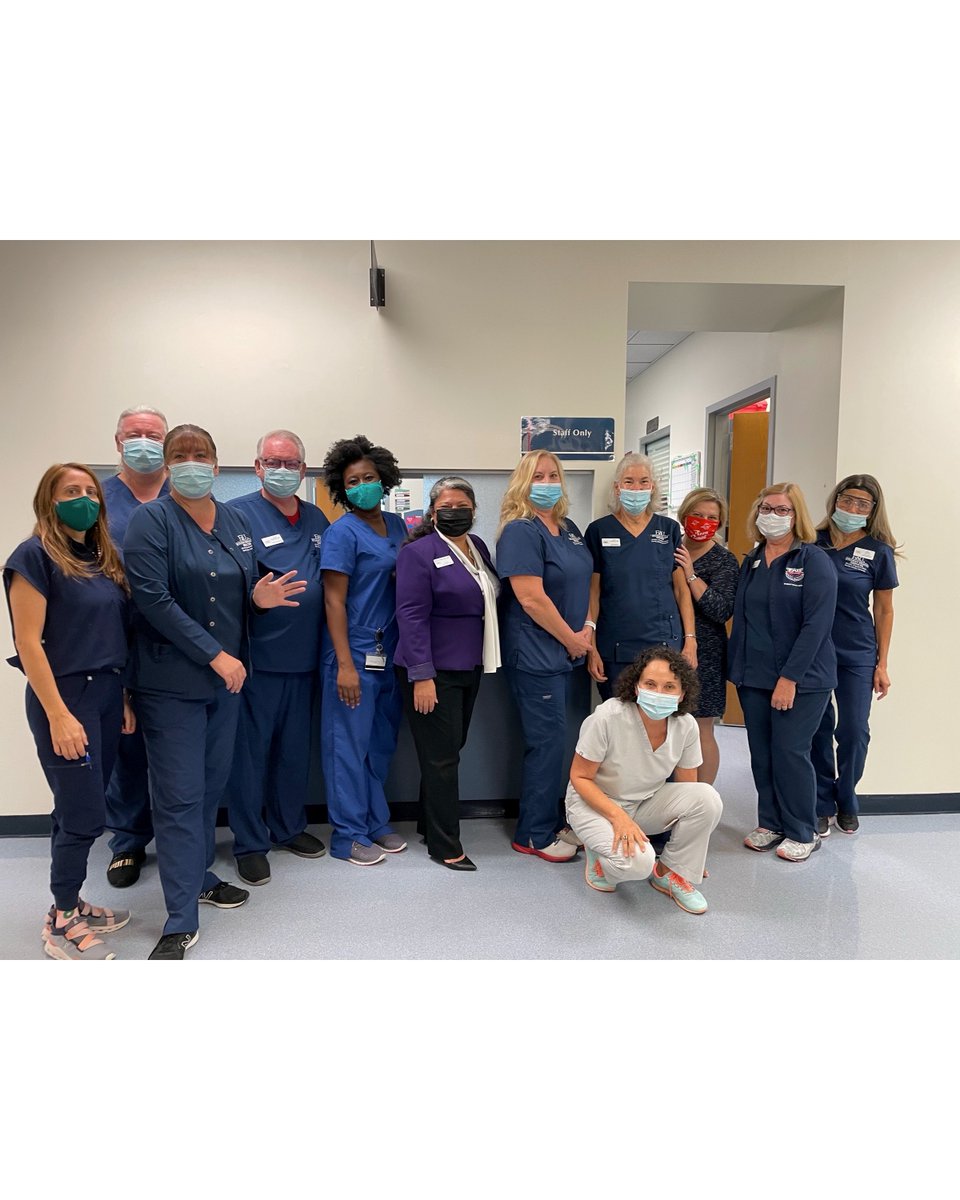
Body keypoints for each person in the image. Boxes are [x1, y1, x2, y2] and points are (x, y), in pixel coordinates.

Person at [124, 424, 306, 959]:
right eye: (180, 455)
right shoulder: (150, 519)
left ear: (217, 461)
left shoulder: (234, 520)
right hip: (171, 683)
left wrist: (259, 599)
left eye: (200, 454)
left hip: (225, 686)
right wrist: (215, 654)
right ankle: (180, 919)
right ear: (166, 462)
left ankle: (200, 875)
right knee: (179, 797)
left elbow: (233, 589)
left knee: (207, 789)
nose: (191, 462)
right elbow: (154, 600)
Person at [4, 464, 135, 959]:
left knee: (77, 806)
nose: (83, 498)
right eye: (70, 491)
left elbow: (109, 636)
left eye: (89, 491)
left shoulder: (102, 559)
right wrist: (58, 714)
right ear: (48, 501)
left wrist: (120, 697)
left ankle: (70, 899)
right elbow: (28, 643)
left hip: (104, 694)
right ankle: (60, 922)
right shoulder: (33, 556)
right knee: (84, 815)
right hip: (64, 699)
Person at [225, 430, 330, 885]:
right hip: (258, 661)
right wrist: (255, 599)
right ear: (257, 467)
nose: (281, 470)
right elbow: (223, 584)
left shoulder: (316, 517)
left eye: (290, 464)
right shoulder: (237, 516)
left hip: (306, 660)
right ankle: (249, 842)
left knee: (292, 753)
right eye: (272, 461)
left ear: (303, 470)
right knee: (250, 756)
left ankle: (288, 828)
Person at [395, 476, 500, 871]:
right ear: (432, 512)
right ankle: (445, 844)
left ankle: (428, 823)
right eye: (446, 506)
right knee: (441, 759)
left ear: (474, 511)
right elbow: (410, 614)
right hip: (432, 670)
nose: (455, 512)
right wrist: (422, 675)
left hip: (470, 664)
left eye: (462, 506)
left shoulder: (478, 547)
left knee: (447, 752)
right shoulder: (418, 553)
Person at [566, 647, 721, 914]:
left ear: (682, 693)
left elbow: (689, 789)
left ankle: (669, 873)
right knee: (637, 864)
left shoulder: (686, 725)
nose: (658, 693)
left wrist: (687, 855)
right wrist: (617, 817)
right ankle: (599, 855)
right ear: (636, 687)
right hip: (594, 805)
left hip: (642, 803)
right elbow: (579, 776)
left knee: (707, 798)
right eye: (650, 684)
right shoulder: (608, 717)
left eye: (669, 686)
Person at [729, 483, 838, 862]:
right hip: (754, 677)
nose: (772, 516)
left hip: (802, 680)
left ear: (797, 517)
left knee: (790, 752)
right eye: (766, 508)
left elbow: (816, 626)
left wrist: (789, 678)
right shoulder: (755, 559)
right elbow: (744, 619)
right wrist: (737, 671)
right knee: (762, 754)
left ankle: (802, 829)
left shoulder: (814, 561)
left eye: (782, 510)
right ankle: (771, 822)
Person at [496, 451, 594, 862]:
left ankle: (552, 821)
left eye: (554, 475)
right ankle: (533, 834)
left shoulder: (569, 528)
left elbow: (587, 581)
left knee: (559, 741)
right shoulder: (520, 531)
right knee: (547, 744)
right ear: (523, 482)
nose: (548, 481)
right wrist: (572, 639)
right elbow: (531, 599)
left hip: (567, 650)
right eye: (539, 475)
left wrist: (588, 628)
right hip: (537, 654)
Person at [320, 434, 408, 866]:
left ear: (384, 479)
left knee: (380, 743)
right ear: (342, 487)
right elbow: (333, 600)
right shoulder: (341, 533)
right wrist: (345, 665)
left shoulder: (397, 526)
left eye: (369, 477)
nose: (362, 486)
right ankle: (347, 834)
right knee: (347, 746)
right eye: (353, 481)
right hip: (352, 651)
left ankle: (375, 822)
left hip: (389, 651)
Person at [101, 405, 170, 890]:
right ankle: (127, 841)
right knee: (125, 745)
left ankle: (182, 841)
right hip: (116, 639)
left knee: (178, 748)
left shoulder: (188, 497)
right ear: (118, 441)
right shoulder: (97, 500)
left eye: (153, 435)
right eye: (135, 434)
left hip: (177, 639)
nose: (143, 441)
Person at [811, 474, 899, 836]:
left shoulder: (878, 552)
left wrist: (882, 663)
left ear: (873, 511)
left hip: (857, 652)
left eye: (862, 504)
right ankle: (820, 801)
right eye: (847, 500)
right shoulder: (811, 543)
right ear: (835, 500)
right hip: (813, 650)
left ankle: (845, 797)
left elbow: (884, 610)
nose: (852, 508)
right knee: (817, 728)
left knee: (853, 731)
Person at [584, 452, 697, 701]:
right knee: (619, 719)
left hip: (663, 642)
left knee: (660, 715)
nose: (637, 488)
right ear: (617, 488)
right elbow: (593, 592)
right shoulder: (598, 531)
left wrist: (691, 640)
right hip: (615, 646)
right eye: (629, 481)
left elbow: (681, 590)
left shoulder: (668, 530)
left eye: (643, 481)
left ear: (653, 486)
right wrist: (591, 647)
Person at [673, 487, 739, 784]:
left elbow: (720, 610)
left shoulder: (725, 561)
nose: (703, 521)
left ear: (720, 522)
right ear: (684, 515)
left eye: (711, 517)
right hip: (668, 646)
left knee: (701, 728)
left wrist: (690, 575)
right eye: (697, 515)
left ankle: (703, 800)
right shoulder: (669, 548)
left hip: (707, 653)